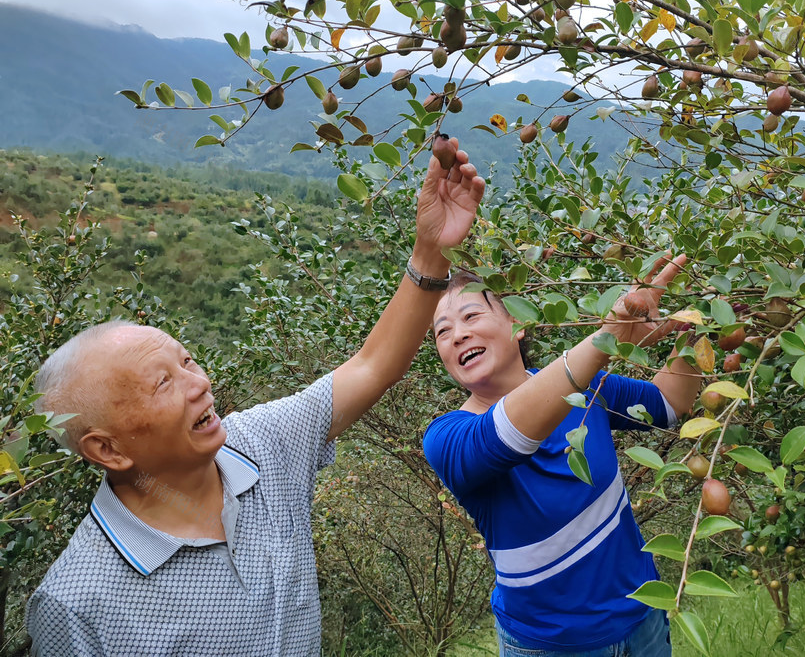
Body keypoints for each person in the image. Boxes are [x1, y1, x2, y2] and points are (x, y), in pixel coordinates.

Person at [25, 147, 486, 656]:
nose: (198, 384)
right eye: (162, 384)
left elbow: (372, 367)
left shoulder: (261, 444)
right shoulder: (77, 604)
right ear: (107, 449)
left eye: (187, 361)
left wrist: (430, 252)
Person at [423, 255, 700, 656]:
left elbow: (669, 402)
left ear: (518, 323)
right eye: (442, 331)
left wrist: (695, 331)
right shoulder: (447, 439)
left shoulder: (587, 388)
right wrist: (609, 335)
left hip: (644, 622)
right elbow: (508, 434)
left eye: (470, 316)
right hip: (548, 646)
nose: (457, 335)